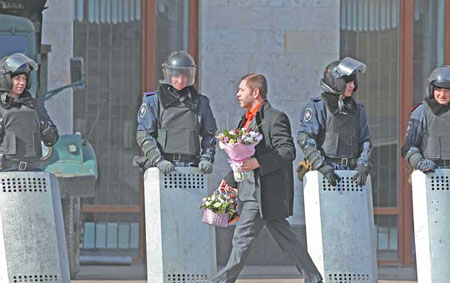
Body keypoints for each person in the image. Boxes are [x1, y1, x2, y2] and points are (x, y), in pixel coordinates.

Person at [210, 73, 323, 283]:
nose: (237, 94)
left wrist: (258, 163)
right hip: (250, 190)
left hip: (263, 193)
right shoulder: (246, 119)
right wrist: (229, 180)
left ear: (255, 92)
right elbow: (242, 156)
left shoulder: (275, 117)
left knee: (241, 239)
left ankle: (220, 281)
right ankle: (314, 278)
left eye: (241, 90)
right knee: (287, 240)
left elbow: (287, 151)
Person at [135, 51, 217, 174]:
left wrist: (206, 158)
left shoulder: (200, 102)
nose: (180, 80)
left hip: (191, 166)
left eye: (184, 76)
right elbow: (144, 135)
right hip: (162, 166)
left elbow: (209, 134)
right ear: (167, 74)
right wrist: (158, 160)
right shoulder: (153, 101)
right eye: (176, 76)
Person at [296, 57, 372, 186]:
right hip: (325, 172)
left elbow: (365, 141)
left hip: (352, 173)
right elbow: (305, 139)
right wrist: (321, 166)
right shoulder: (317, 107)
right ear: (335, 81)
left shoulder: (358, 110)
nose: (352, 86)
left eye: (354, 82)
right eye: (347, 82)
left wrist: (363, 165)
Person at [0, 53, 58, 171]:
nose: (22, 82)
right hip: (5, 173)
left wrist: (47, 130)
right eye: (17, 78)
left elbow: (52, 139)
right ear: (6, 79)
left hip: (33, 172)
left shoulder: (35, 105)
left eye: (24, 78)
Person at [402, 66, 450, 172]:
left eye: (447, 91)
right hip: (431, 174)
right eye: (438, 90)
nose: (442, 95)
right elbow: (409, 148)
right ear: (431, 90)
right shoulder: (421, 111)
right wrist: (419, 162)